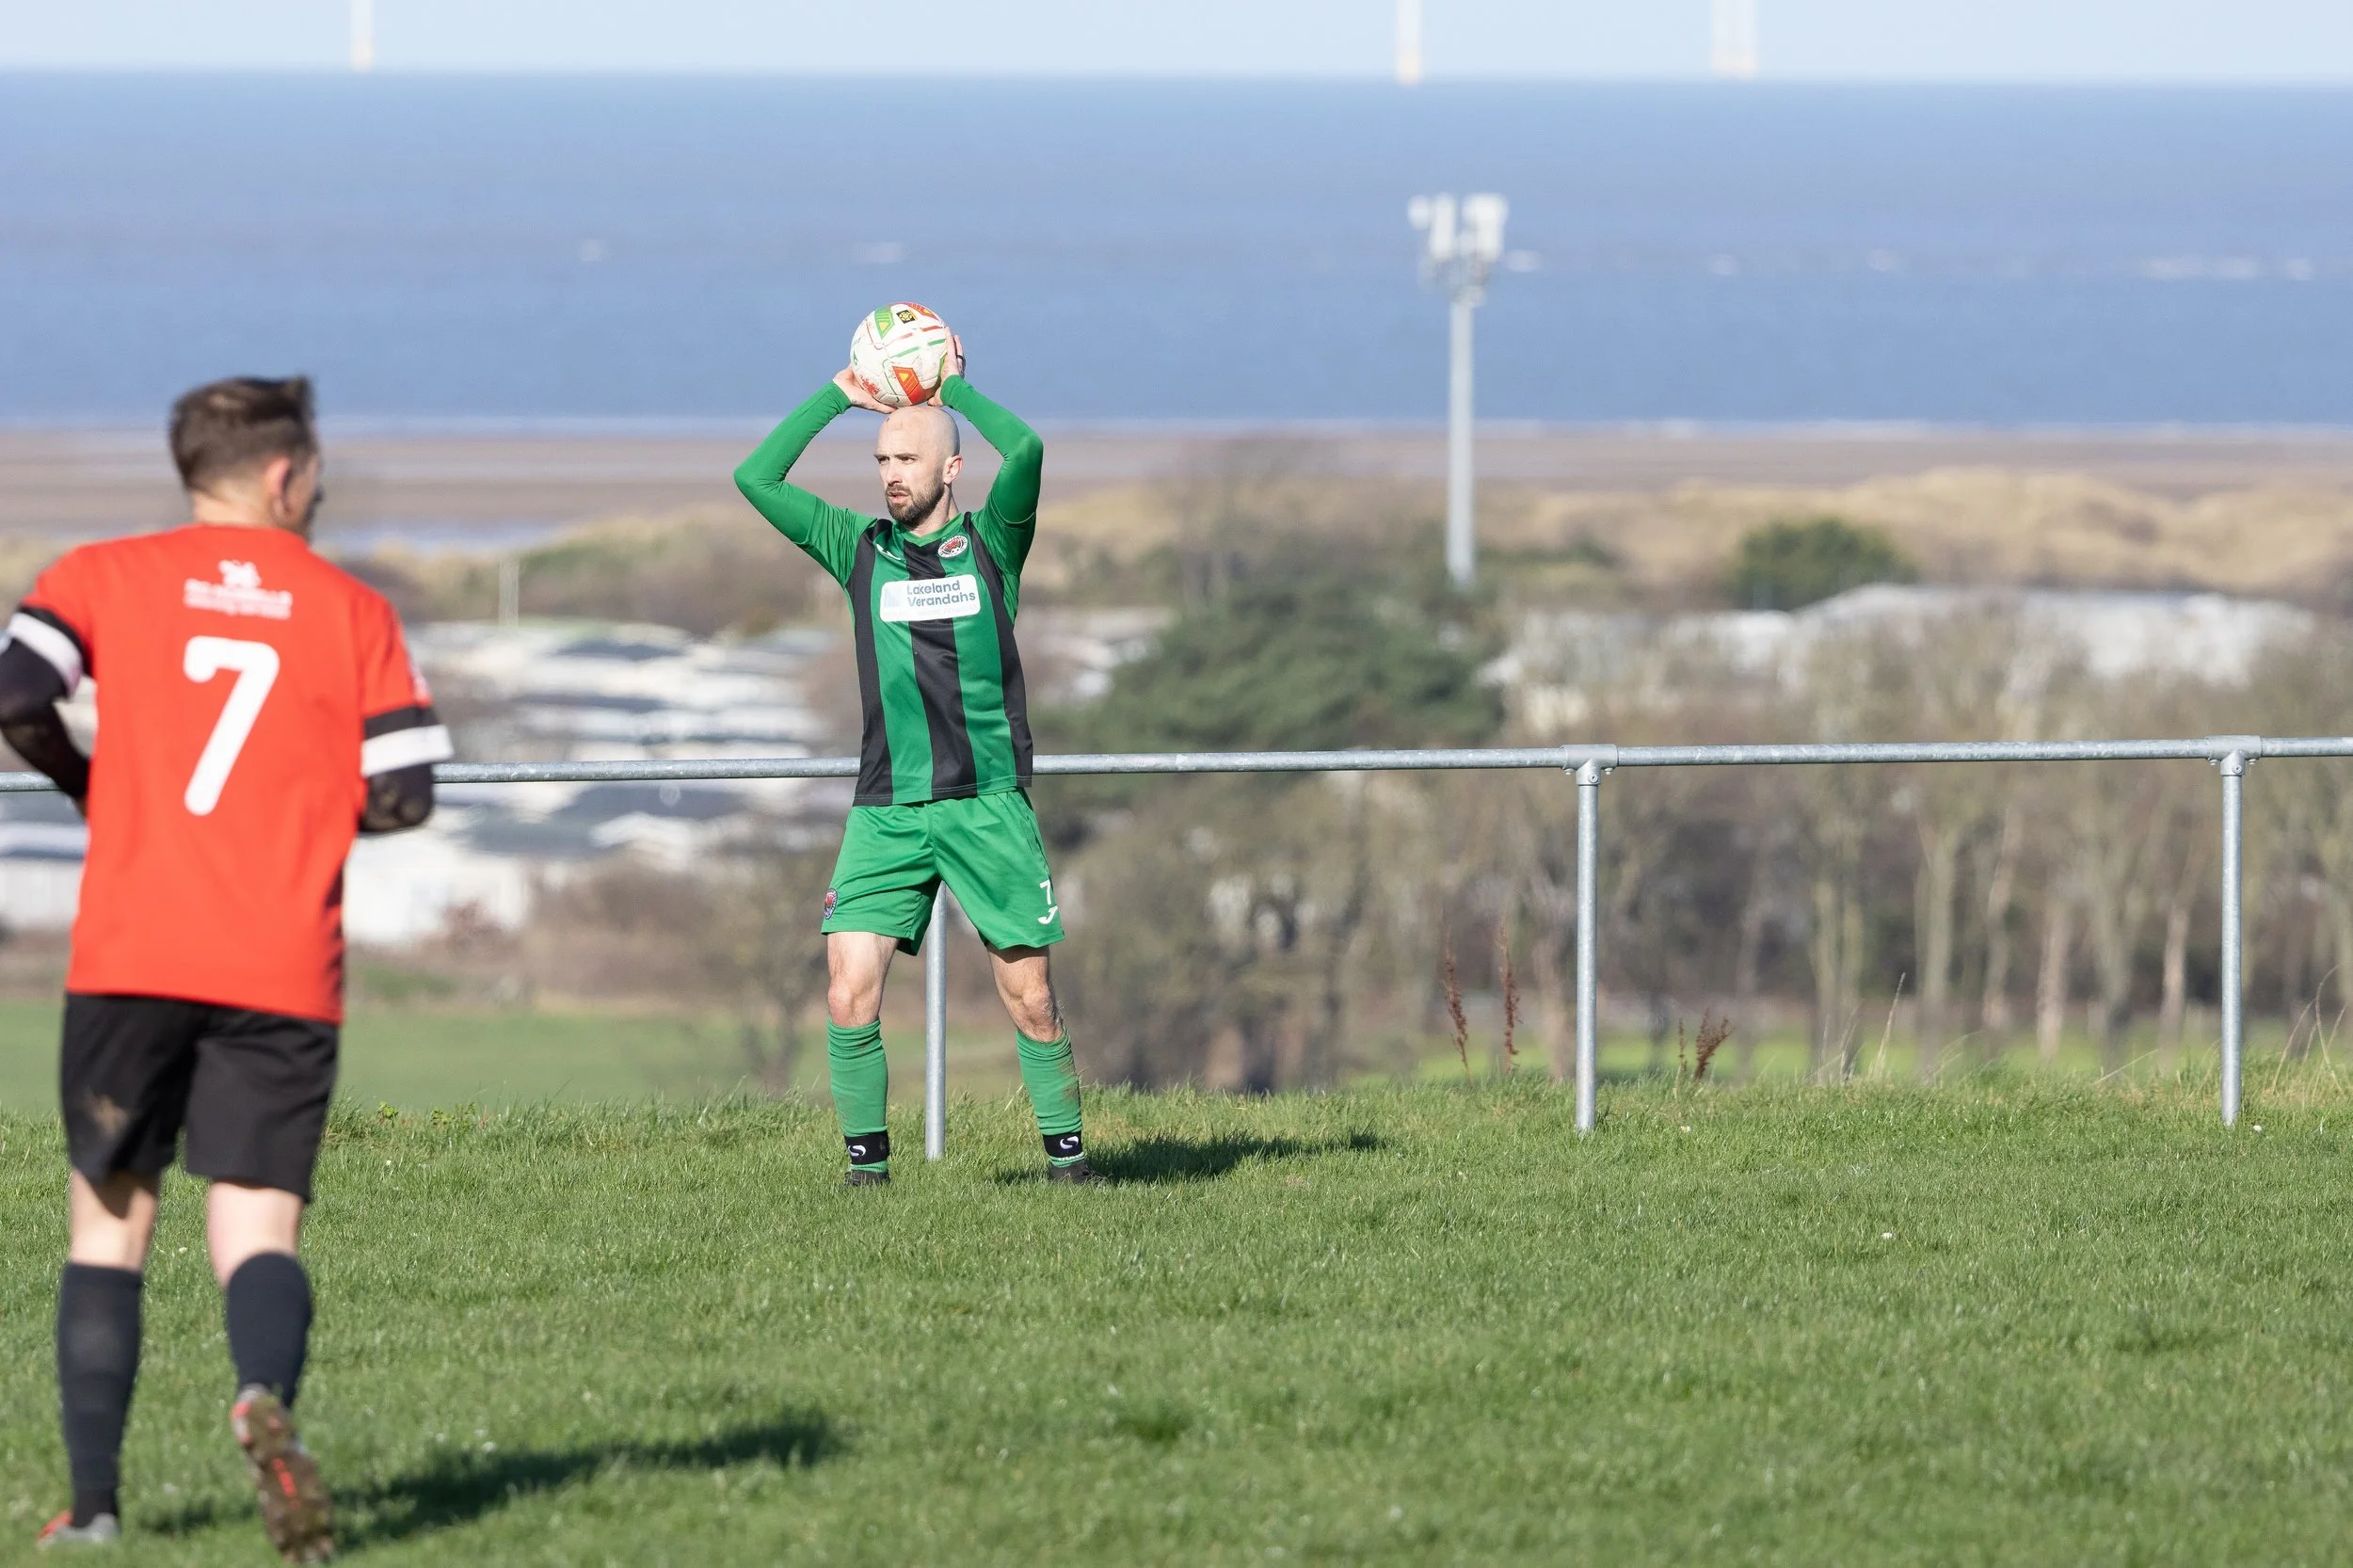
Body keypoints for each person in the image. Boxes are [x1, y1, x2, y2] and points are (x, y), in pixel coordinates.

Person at [6, 376, 451, 1560]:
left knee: (110, 1224)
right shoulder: (352, 607)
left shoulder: (96, 576)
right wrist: (301, 814)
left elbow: (14, 693)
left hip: (131, 951)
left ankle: (94, 1508)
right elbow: (407, 791)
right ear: (281, 475)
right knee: (258, 1229)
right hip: (280, 962)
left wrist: (88, 783)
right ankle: (261, 1397)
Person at [735, 336, 1095, 1187]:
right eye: (882, 458)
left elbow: (1031, 449)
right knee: (845, 988)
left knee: (1031, 1000)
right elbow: (755, 479)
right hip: (886, 810)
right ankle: (868, 1177)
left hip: (986, 806)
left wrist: (953, 392)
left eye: (908, 457)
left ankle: (1070, 1166)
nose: (892, 473)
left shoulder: (996, 544)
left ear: (953, 468)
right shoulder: (857, 547)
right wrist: (836, 395)